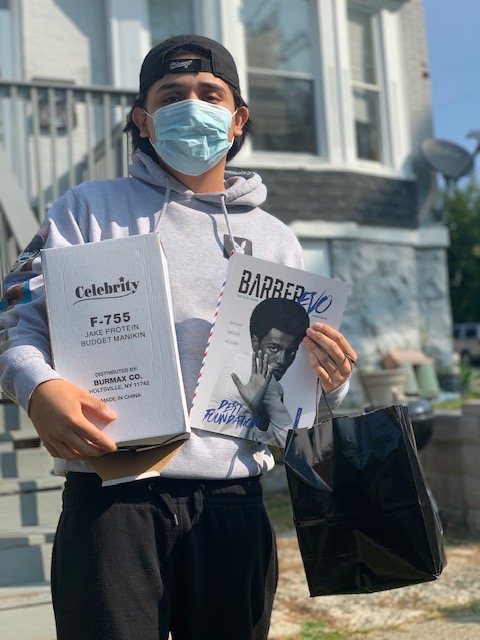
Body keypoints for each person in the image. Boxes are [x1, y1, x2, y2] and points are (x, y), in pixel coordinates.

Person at [0, 34, 357, 640]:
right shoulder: (86, 210)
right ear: (143, 119)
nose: (192, 104)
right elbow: (14, 318)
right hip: (111, 498)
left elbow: (291, 412)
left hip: (235, 500)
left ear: (237, 116)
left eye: (209, 93)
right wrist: (38, 388)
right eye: (171, 94)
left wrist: (330, 384)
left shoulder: (278, 242)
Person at [206, 297, 310, 446]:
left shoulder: (240, 361)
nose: (281, 360)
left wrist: (259, 410)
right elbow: (292, 443)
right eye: (274, 348)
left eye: (291, 351)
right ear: (255, 343)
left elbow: (264, 440)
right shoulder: (254, 373)